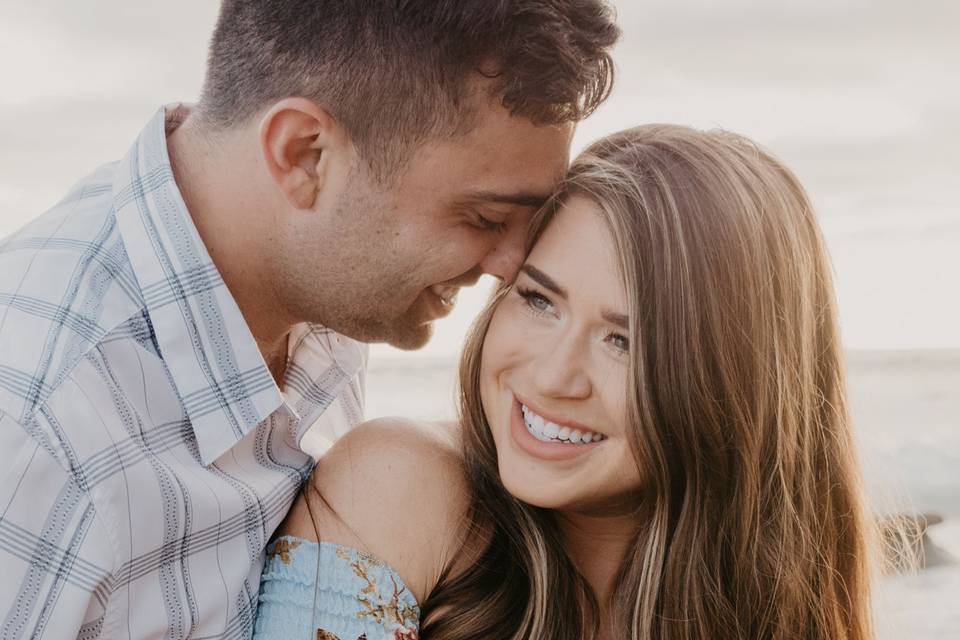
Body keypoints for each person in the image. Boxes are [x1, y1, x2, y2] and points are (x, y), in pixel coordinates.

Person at [0, 2, 619, 637]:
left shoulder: (323, 291)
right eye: (486, 218)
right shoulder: (38, 435)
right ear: (304, 155)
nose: (512, 265)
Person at [258, 125, 875, 640]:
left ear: (735, 382)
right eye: (538, 299)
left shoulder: (786, 604)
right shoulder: (402, 483)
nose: (553, 376)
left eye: (624, 341)